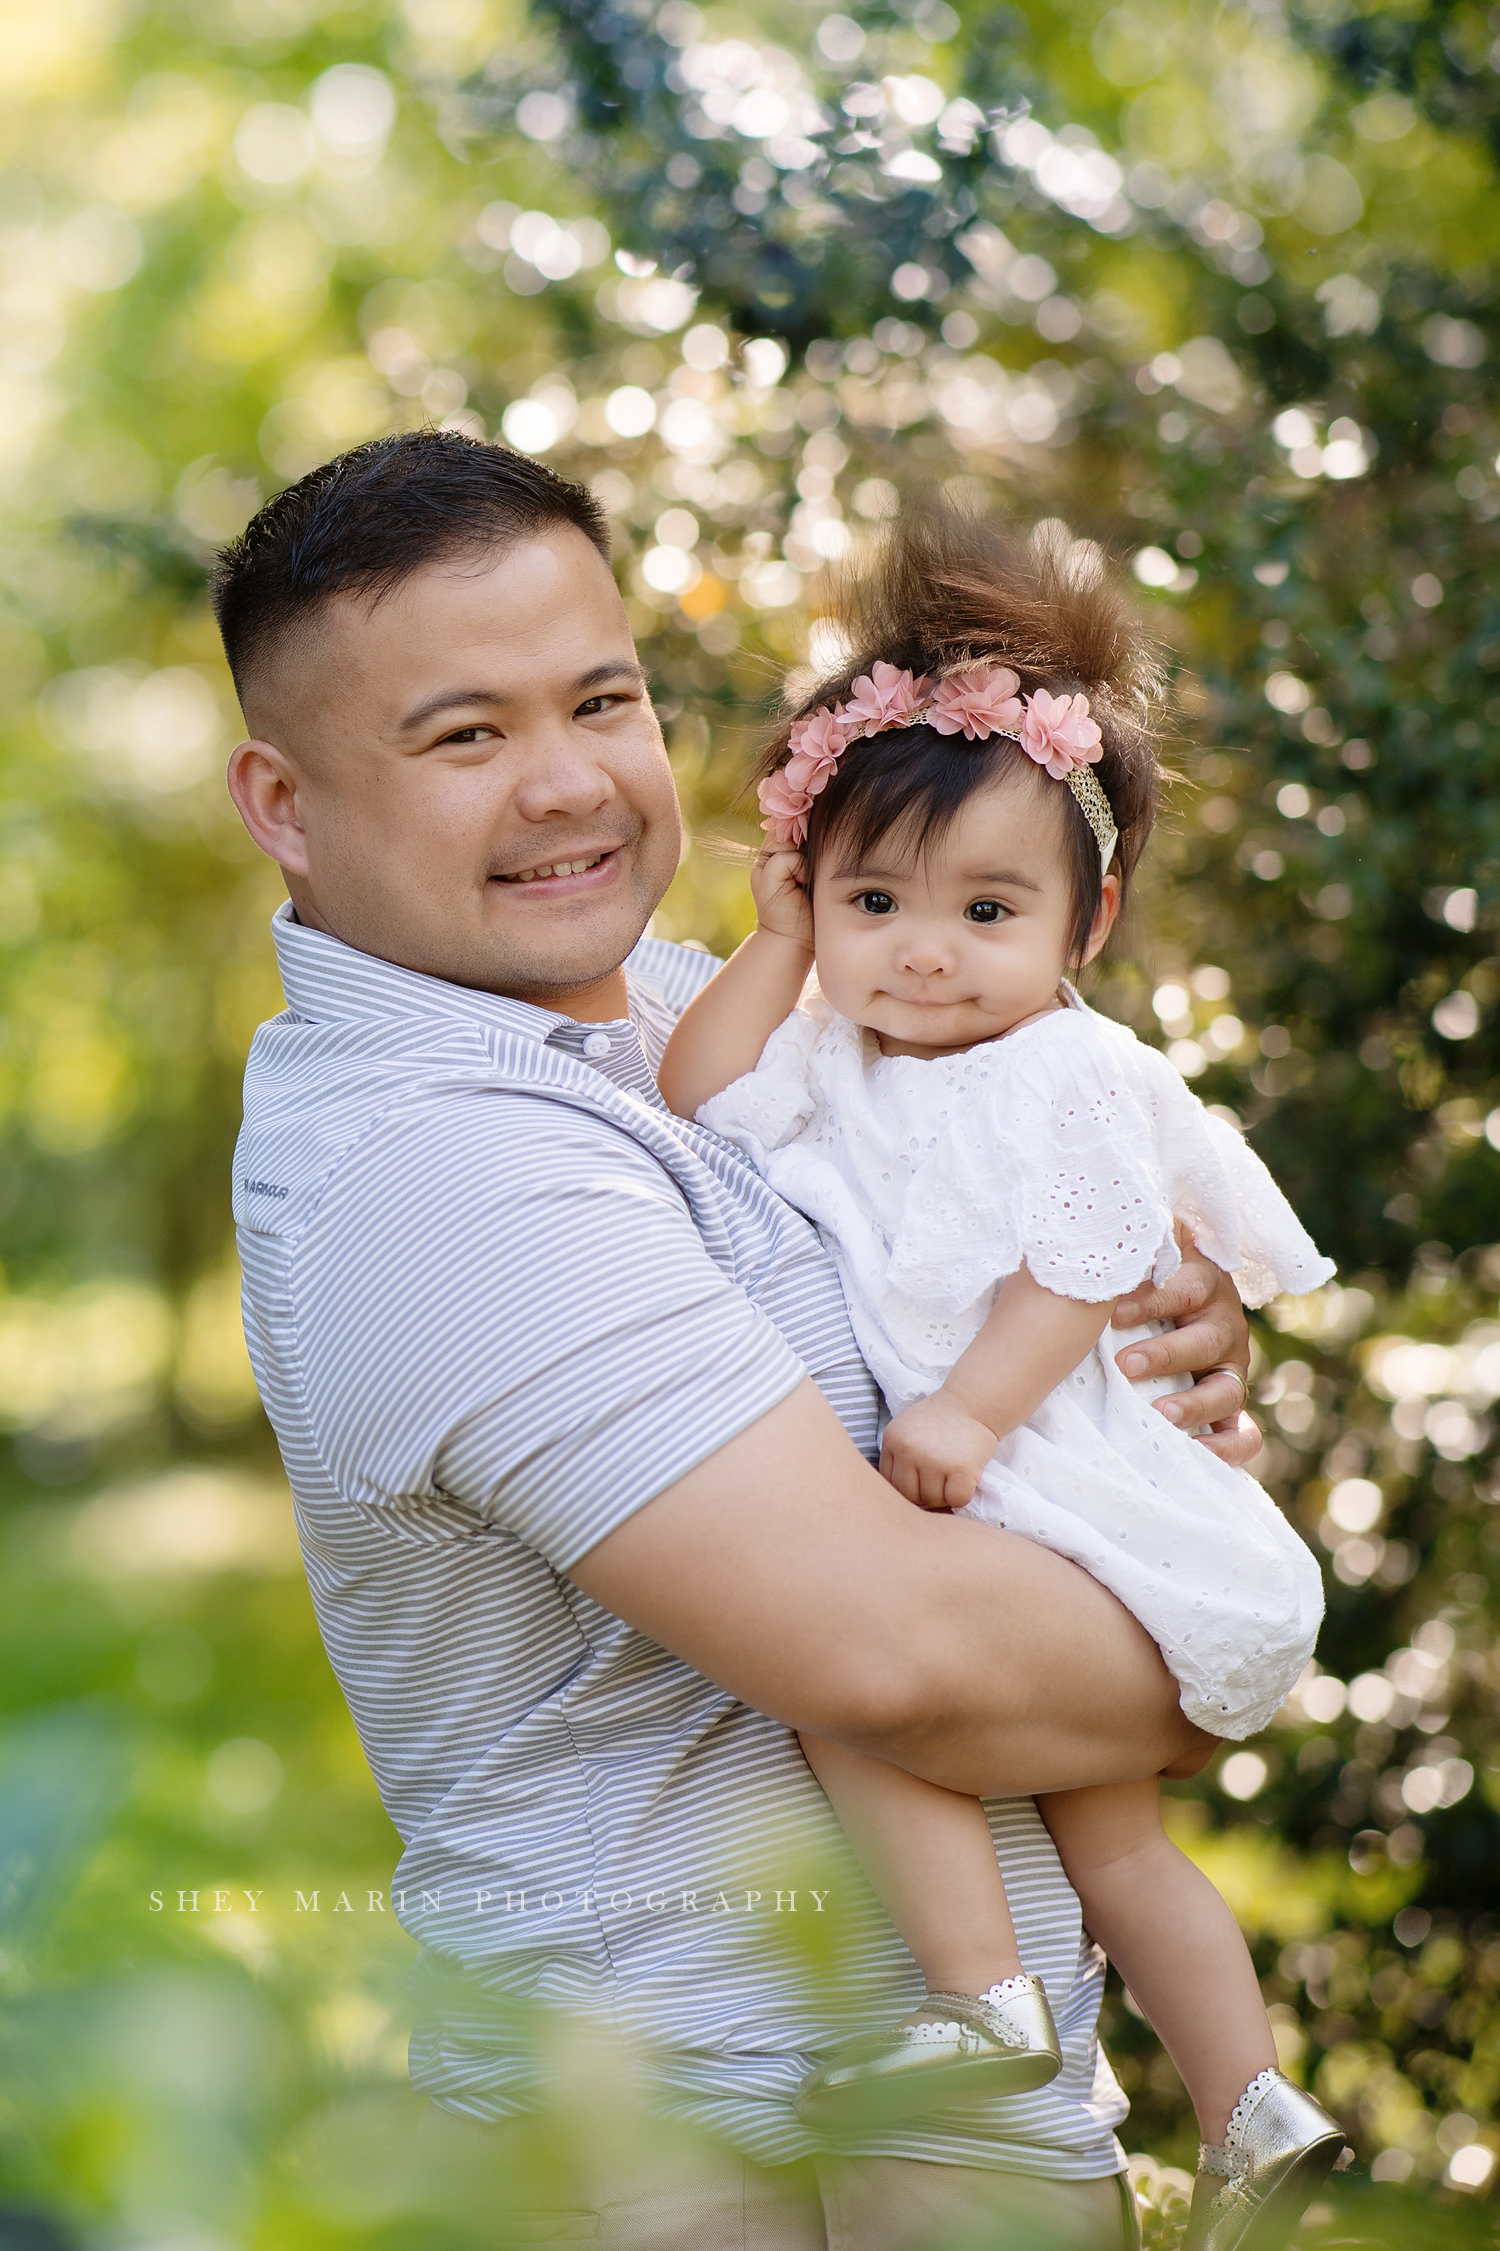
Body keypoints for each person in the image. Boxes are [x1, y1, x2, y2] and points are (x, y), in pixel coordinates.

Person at [216, 428, 1268, 2250]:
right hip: (691, 2150)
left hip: (959, 2120)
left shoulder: (725, 1015)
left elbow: (1028, 1315)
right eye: (466, 735)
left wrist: (1143, 1358)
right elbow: (901, 1659)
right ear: (286, 803)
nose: (570, 786)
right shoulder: (430, 1167)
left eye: (602, 699)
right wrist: (1242, 1616)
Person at [658, 514, 1348, 2249]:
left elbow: (1090, 1260)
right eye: (874, 902)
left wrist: (962, 1410)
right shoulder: (837, 1050)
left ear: (1086, 920)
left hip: (1059, 1479)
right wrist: (777, 942)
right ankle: (1246, 2109)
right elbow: (691, 1090)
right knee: (1108, 1846)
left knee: (860, 1700)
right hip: (1013, 1501)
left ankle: (1029, 2017)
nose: (927, 950)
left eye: (987, 908)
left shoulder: (1067, 1069)